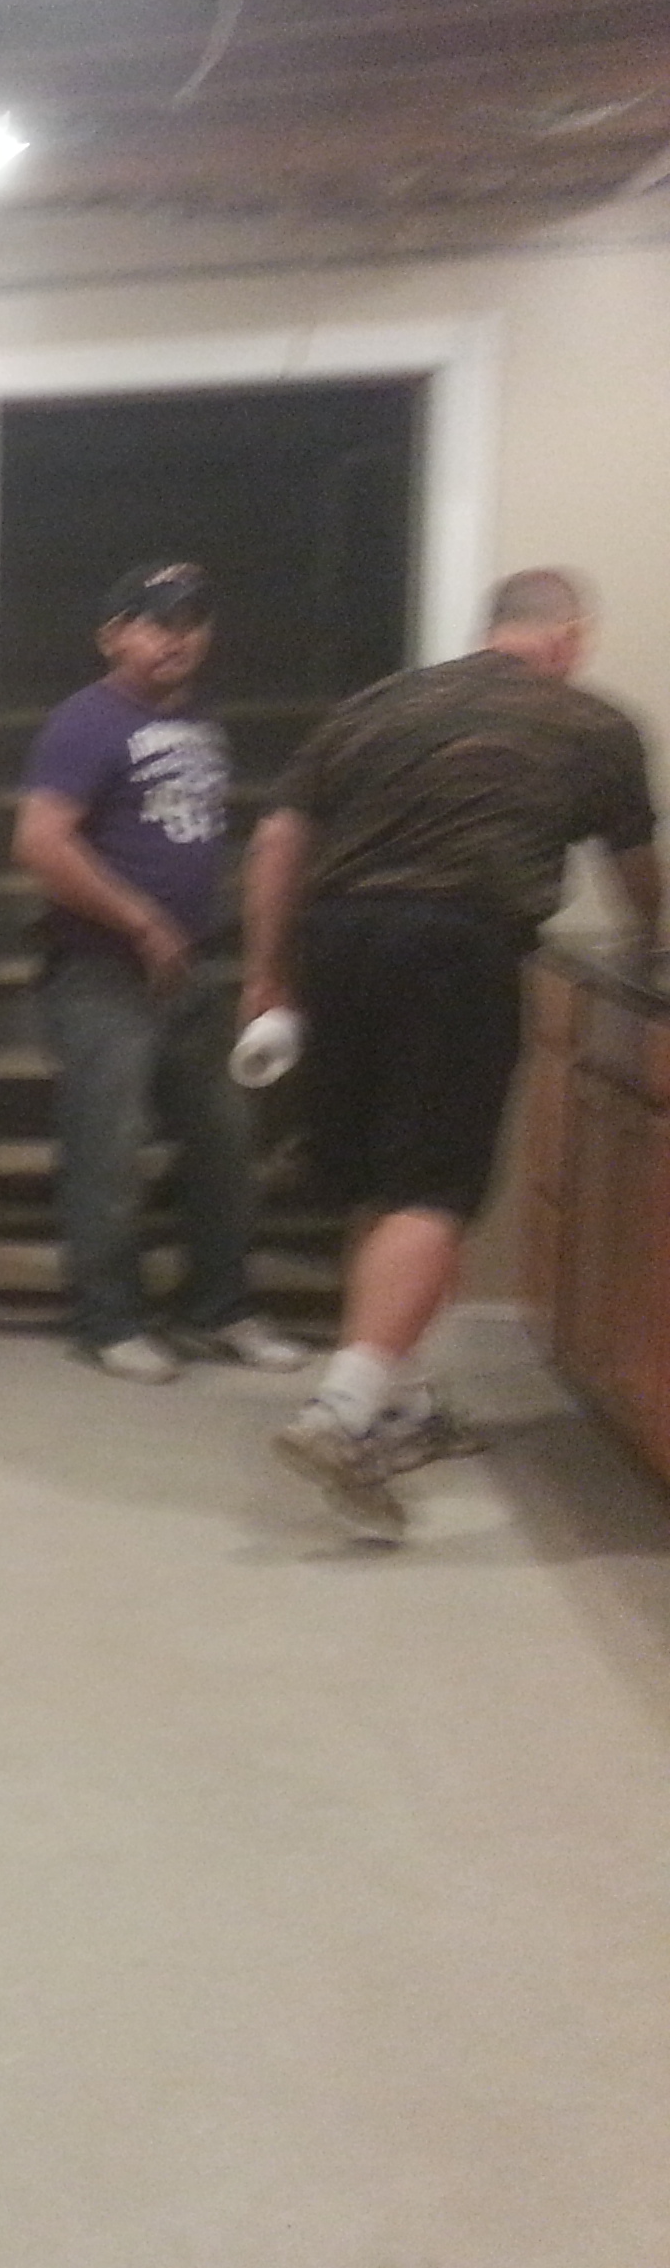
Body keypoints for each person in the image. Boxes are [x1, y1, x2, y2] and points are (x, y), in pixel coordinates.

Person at [242, 566, 663, 1540]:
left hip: (335, 939)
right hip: (455, 945)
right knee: (433, 1189)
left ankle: (402, 1401)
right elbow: (636, 870)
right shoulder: (590, 722)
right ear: (567, 636)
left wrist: (268, 974)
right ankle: (343, 1412)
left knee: (379, 1182)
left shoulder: (378, 706)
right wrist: (653, 939)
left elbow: (278, 839)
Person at [14, 561, 310, 1384]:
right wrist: (139, 919)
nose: (179, 637)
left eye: (192, 621)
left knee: (224, 1144)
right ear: (113, 637)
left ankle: (219, 1308)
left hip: (191, 970)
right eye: (157, 622)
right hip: (100, 974)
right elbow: (40, 842)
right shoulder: (85, 723)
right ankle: (109, 1321)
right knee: (107, 1151)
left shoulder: (202, 720)